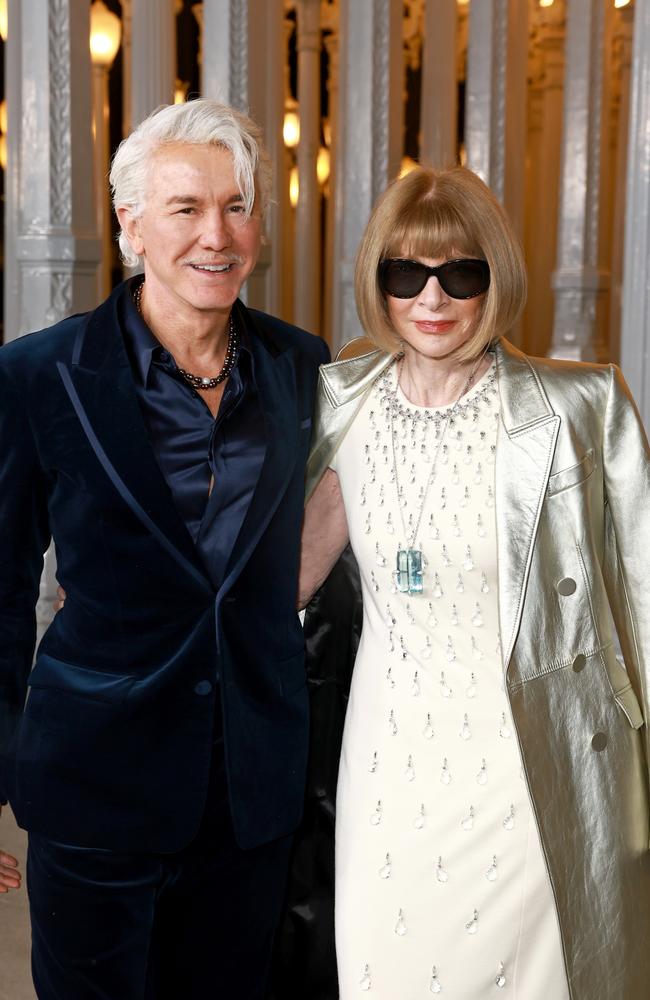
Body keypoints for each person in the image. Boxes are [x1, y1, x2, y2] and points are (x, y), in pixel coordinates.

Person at [0, 98, 329, 999]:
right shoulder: (39, 375)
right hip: (93, 785)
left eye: (236, 205)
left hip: (252, 794)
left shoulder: (305, 368)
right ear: (131, 225)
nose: (215, 235)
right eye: (186, 208)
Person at [299, 165, 650, 999]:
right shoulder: (340, 402)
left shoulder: (578, 407)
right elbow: (284, 579)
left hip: (529, 766)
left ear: (495, 278)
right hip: (390, 766)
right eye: (405, 273)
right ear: (377, 281)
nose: (432, 297)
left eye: (461, 272)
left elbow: (642, 590)